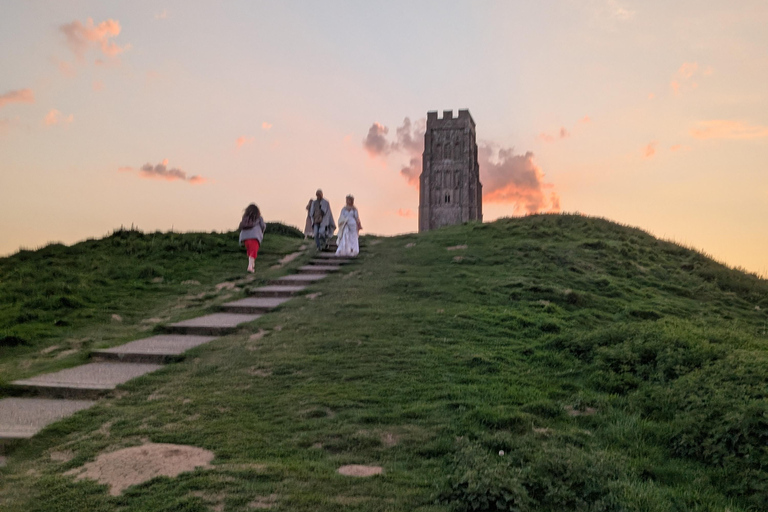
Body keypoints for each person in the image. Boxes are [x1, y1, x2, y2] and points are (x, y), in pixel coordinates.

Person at [239, 203, 266, 273]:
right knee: (253, 252)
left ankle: (252, 264)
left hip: (245, 238)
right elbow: (263, 226)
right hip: (254, 236)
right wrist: (261, 232)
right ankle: (250, 267)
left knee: (250, 251)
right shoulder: (259, 218)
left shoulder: (245, 218)